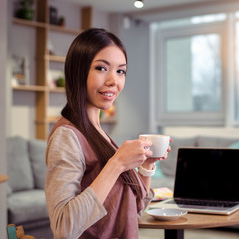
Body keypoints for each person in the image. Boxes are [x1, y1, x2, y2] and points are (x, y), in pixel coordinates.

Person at [45, 28, 170, 239]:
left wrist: (147, 166)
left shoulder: (98, 133)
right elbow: (63, 228)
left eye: (121, 71)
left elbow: (133, 210)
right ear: (78, 71)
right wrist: (117, 164)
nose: (114, 81)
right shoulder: (67, 136)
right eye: (102, 68)